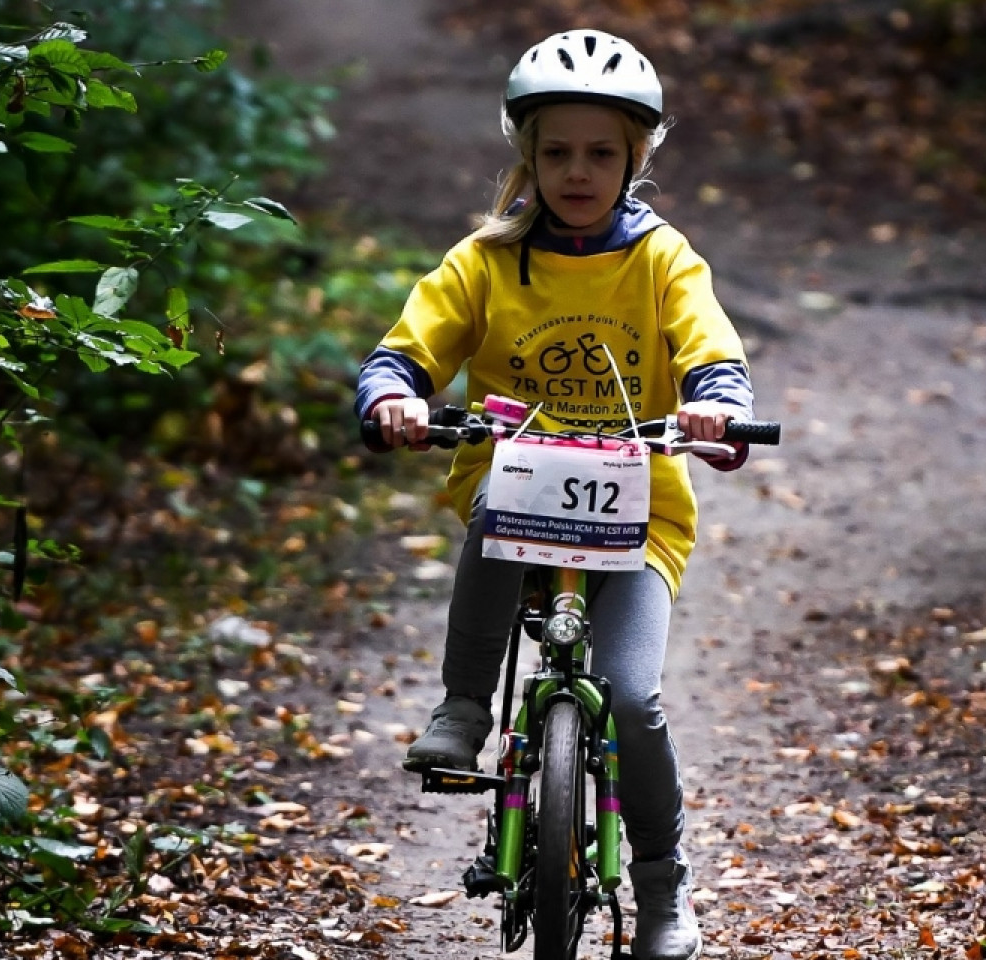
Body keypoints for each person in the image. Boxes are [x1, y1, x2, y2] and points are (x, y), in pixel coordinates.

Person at [355, 29, 756, 960]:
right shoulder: (486, 261)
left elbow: (711, 351)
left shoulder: (662, 260)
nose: (579, 171)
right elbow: (407, 348)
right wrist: (393, 397)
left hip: (638, 514)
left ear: (636, 159)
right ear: (526, 156)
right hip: (518, 489)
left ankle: (662, 888)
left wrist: (717, 412)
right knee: (499, 522)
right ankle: (464, 706)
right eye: (558, 151)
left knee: (629, 692)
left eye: (602, 153)